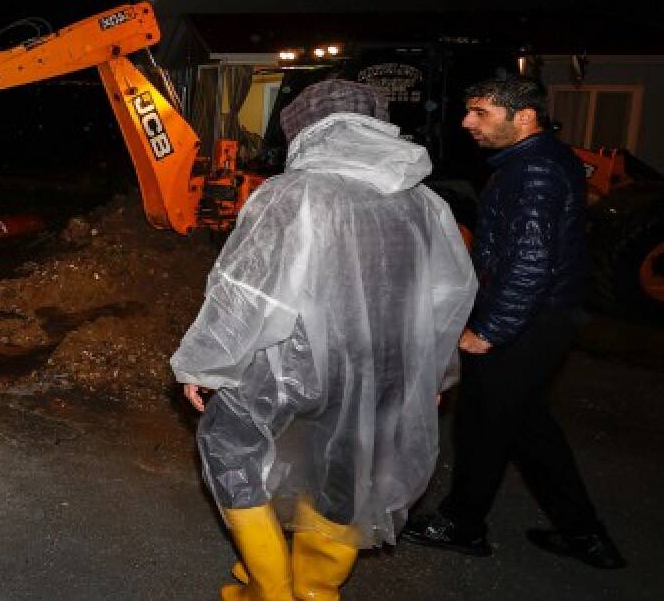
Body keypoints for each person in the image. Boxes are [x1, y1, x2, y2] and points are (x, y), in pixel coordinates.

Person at [172, 79, 477, 600]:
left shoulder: (291, 194)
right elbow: (445, 297)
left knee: (232, 450)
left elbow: (248, 291)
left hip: (293, 362)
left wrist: (205, 366)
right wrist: (435, 373)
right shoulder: (425, 203)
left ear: (305, 131)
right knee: (345, 468)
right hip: (386, 368)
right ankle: (317, 590)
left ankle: (269, 588)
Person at [402, 75, 627, 569]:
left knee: (485, 423)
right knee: (526, 425)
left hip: (530, 320)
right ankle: (585, 536)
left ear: (523, 116)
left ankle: (463, 525)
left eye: (480, 112)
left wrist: (491, 329)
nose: (467, 122)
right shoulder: (531, 162)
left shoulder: (536, 172)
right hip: (541, 316)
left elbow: (530, 260)